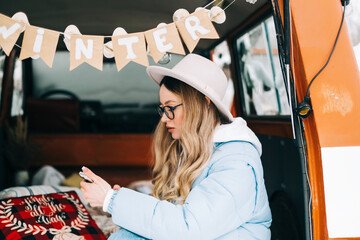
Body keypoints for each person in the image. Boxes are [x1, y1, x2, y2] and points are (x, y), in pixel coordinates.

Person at [80, 54, 272, 240]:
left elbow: (188, 227)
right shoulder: (192, 148)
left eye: (170, 108)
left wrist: (111, 200)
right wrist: (120, 201)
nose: (164, 118)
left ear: (203, 104)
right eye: (162, 109)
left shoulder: (237, 164)